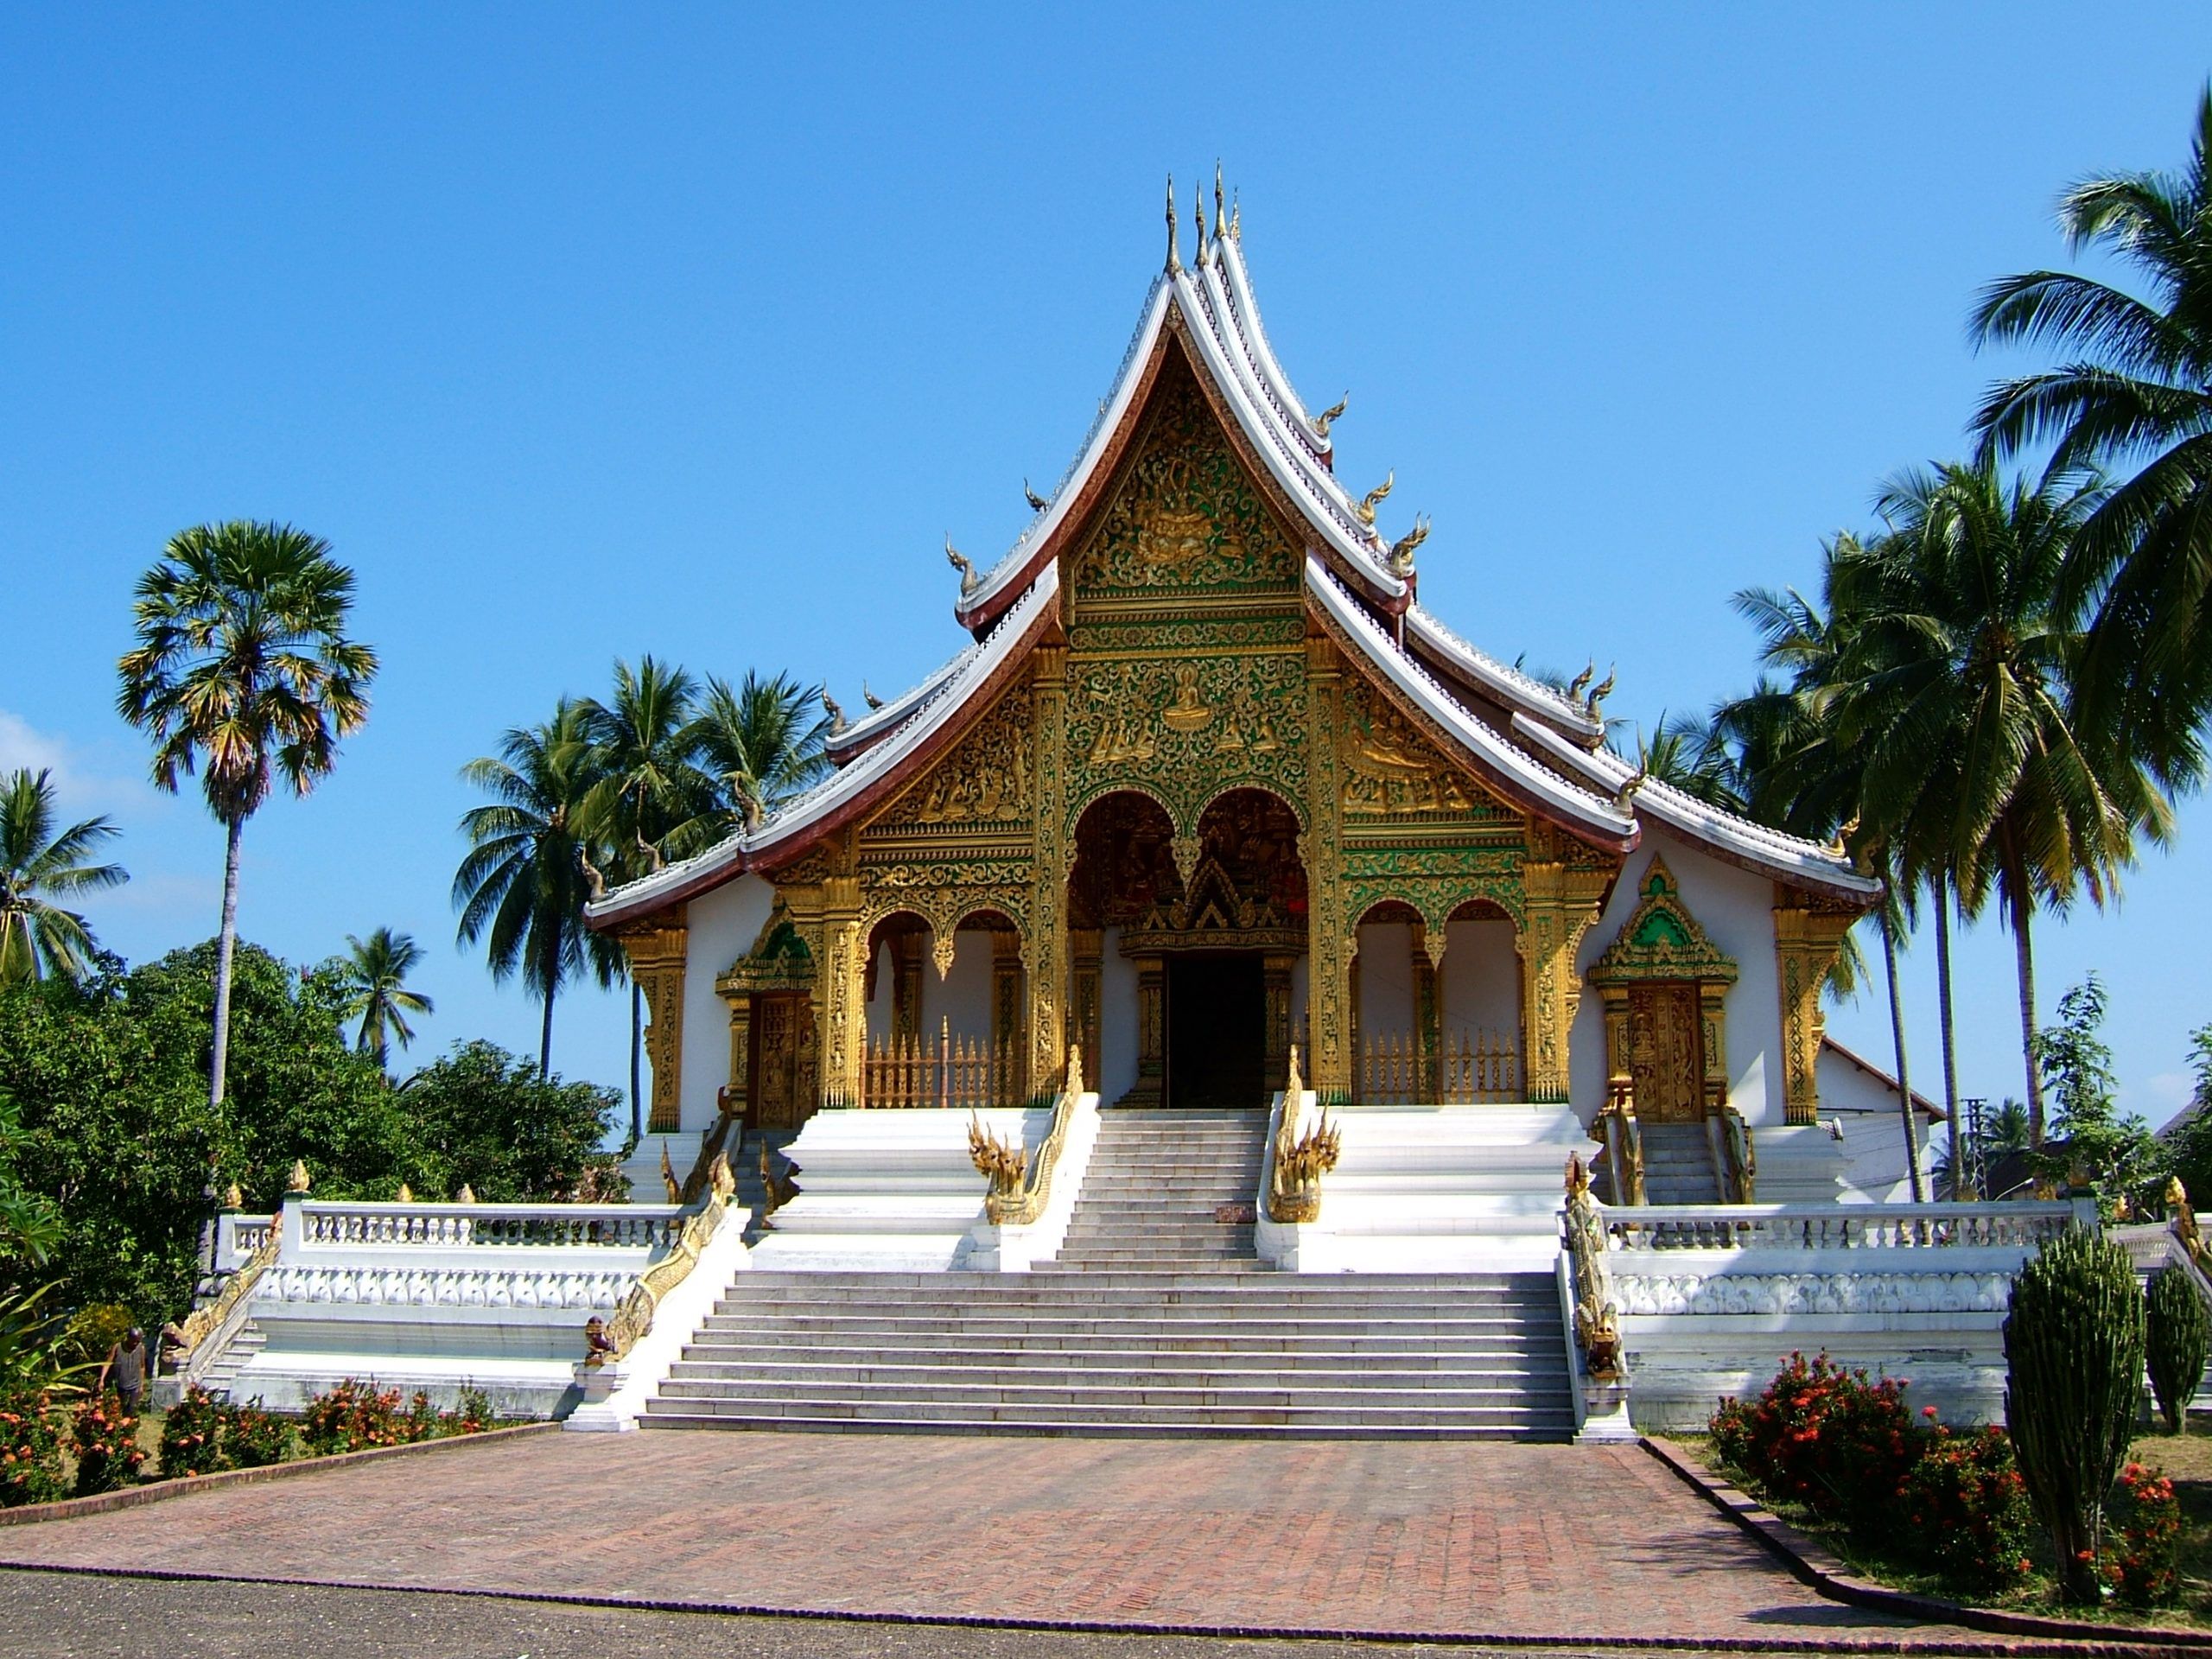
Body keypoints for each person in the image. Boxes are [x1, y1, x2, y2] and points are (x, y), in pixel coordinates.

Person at [99, 1327, 148, 1417]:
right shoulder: (117, 1347)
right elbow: (107, 1363)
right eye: (134, 1341)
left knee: (132, 1410)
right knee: (119, 1410)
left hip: (135, 1385)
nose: (135, 1344)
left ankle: (131, 1427)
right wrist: (102, 1379)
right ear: (128, 1338)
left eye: (138, 1341)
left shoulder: (141, 1348)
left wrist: (141, 1384)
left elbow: (142, 1367)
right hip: (120, 1385)